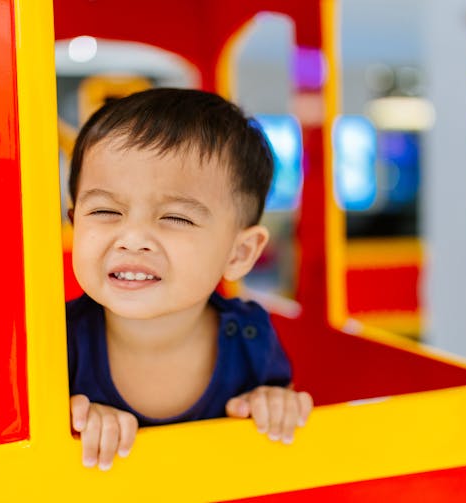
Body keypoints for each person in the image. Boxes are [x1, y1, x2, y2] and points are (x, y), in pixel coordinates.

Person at [66, 88, 313, 471]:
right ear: (73, 222)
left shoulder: (250, 337)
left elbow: (282, 423)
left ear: (240, 253)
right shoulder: (55, 345)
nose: (132, 239)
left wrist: (276, 404)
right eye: (104, 210)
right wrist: (70, 424)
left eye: (176, 218)